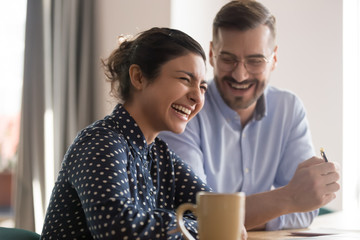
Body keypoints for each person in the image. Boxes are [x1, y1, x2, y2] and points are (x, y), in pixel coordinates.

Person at [41, 27, 248, 240]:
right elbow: (121, 232)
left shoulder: (159, 153)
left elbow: (218, 212)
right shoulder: (100, 142)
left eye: (202, 87)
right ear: (138, 77)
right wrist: (200, 226)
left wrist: (209, 224)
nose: (197, 96)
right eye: (185, 79)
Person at [159, 0, 340, 231]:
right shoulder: (185, 110)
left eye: (255, 61)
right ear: (212, 55)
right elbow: (194, 215)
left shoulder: (289, 108)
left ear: (273, 59)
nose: (240, 74)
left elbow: (307, 208)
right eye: (228, 59)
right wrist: (288, 199)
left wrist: (293, 200)